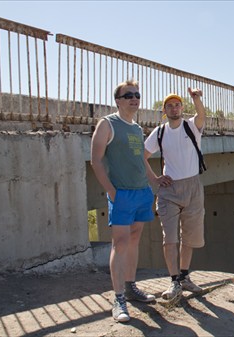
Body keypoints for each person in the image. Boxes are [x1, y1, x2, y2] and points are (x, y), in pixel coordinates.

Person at [90, 79, 156, 323]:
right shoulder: (107, 124)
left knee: (135, 239)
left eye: (137, 94)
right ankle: (118, 300)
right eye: (128, 95)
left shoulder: (137, 129)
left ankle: (130, 287)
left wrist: (154, 179)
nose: (134, 99)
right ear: (118, 100)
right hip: (122, 194)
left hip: (142, 192)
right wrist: (113, 193)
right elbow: (96, 161)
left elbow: (141, 160)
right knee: (120, 242)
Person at [144, 87, 206, 302]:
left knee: (189, 236)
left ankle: (185, 276)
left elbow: (201, 115)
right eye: (169, 106)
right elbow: (142, 155)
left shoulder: (191, 127)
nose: (174, 108)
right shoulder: (159, 132)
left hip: (193, 187)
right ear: (164, 110)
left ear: (182, 108)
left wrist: (196, 98)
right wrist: (154, 178)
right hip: (168, 190)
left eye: (177, 104)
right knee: (169, 238)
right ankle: (174, 282)